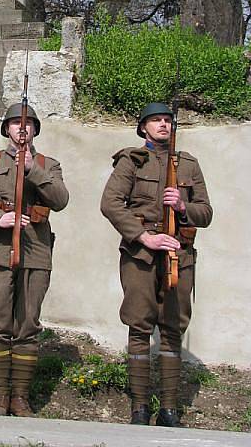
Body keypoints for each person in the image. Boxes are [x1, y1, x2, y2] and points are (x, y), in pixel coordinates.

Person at [100, 102, 213, 427]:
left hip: (180, 255)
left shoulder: (188, 164)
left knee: (173, 329)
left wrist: (182, 206)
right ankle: (139, 409)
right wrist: (143, 237)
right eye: (155, 120)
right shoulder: (132, 161)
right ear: (143, 128)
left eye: (167, 120)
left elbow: (206, 212)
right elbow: (110, 203)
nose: (163, 125)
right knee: (139, 326)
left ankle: (168, 410)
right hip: (142, 256)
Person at [0, 103, 69, 417]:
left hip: (35, 252)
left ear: (35, 130)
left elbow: (60, 200)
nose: (22, 129)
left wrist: (33, 168)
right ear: (7, 129)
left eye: (28, 124)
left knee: (28, 325)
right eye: (16, 124)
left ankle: (21, 398)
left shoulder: (49, 164)